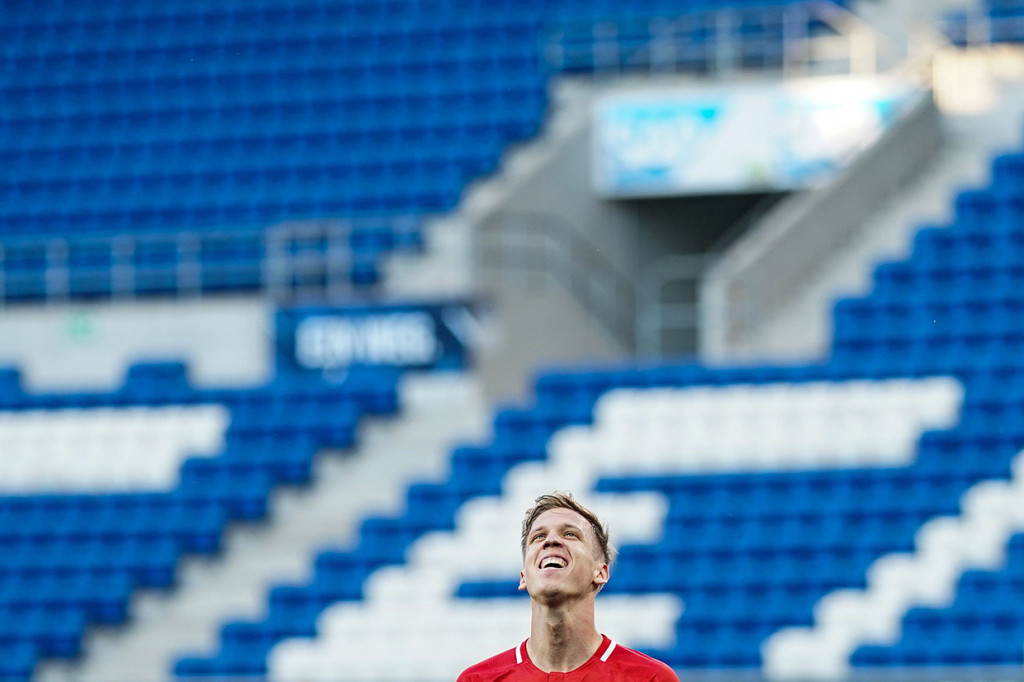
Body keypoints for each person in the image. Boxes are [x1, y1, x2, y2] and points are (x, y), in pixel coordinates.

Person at [458, 492, 679, 681]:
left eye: (570, 534)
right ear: (523, 577)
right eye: (538, 536)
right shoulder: (478, 679)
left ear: (600, 573)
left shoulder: (650, 678)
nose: (550, 540)